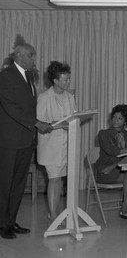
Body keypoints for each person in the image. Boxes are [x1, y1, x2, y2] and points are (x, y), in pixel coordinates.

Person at [0, 43, 52, 239]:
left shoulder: (28, 76)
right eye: (31, 55)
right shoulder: (5, 76)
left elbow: (29, 107)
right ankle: (2, 224)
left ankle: (10, 221)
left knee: (18, 185)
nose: (34, 59)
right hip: (9, 141)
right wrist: (36, 123)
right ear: (19, 56)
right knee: (5, 184)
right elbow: (10, 107)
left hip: (25, 140)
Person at [94, 104, 127, 228]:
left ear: (126, 121)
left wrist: (114, 166)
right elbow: (111, 150)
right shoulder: (103, 133)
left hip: (119, 170)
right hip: (104, 171)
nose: (115, 120)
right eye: (114, 117)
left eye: (119, 118)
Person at [37, 61, 76, 223]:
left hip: (67, 145)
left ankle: (55, 212)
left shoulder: (69, 96)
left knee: (60, 179)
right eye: (65, 79)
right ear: (55, 80)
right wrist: (60, 124)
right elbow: (40, 123)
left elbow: (73, 117)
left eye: (69, 78)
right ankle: (53, 216)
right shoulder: (45, 97)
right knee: (54, 178)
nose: (68, 82)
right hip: (51, 145)